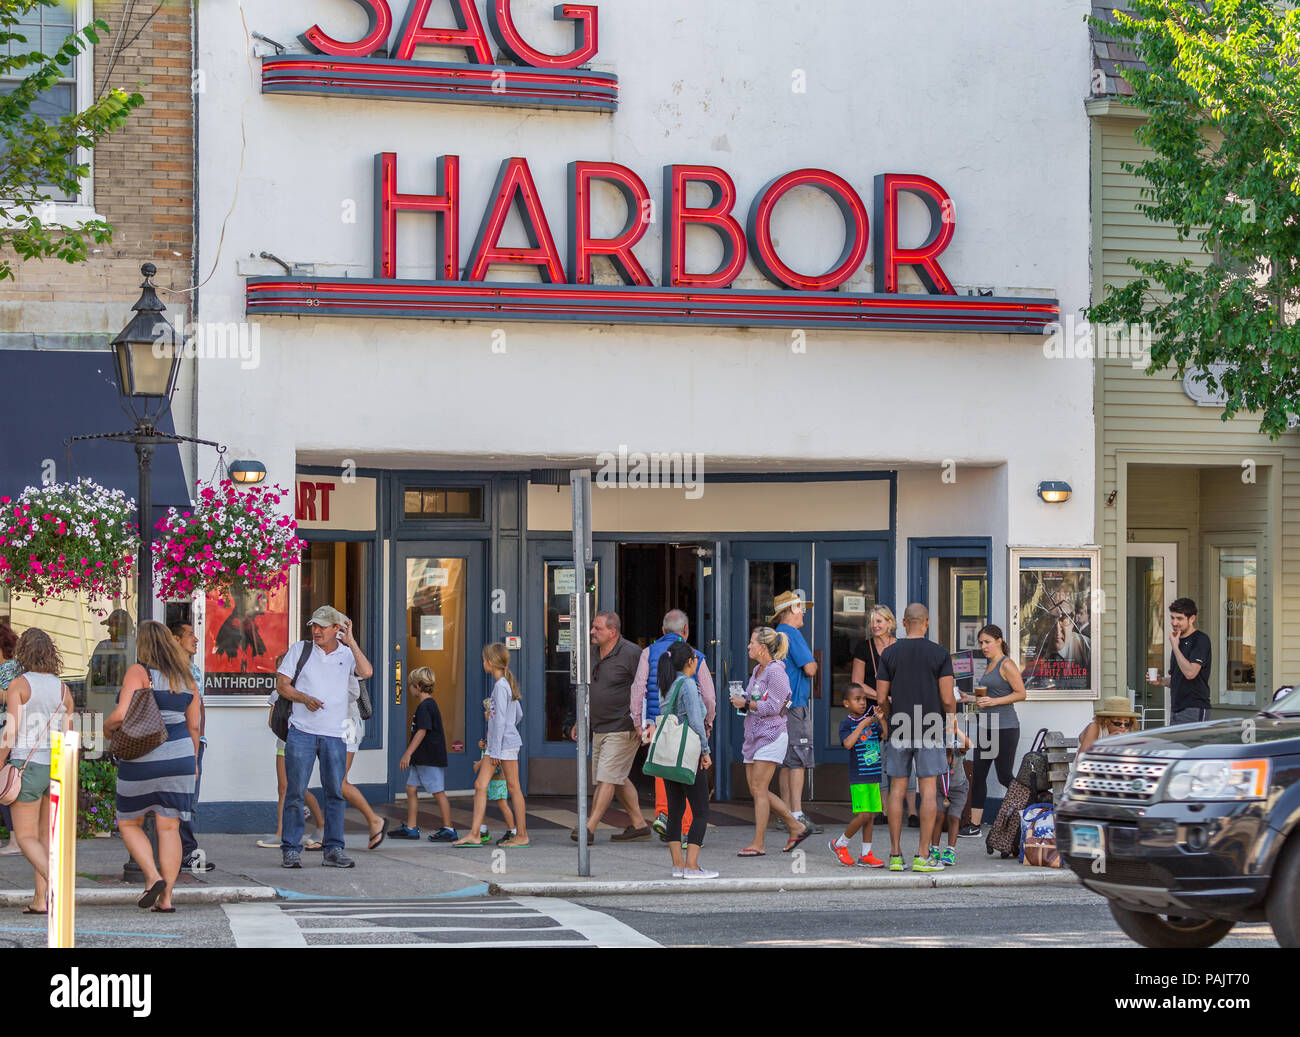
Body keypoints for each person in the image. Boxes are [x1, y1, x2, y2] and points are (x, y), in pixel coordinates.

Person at [105, 621, 200, 913]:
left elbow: (121, 715)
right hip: (182, 758)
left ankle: (152, 877)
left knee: (129, 822)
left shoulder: (139, 672)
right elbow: (194, 725)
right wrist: (193, 763)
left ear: (143, 645)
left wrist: (107, 729)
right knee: (169, 828)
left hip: (143, 759)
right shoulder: (187, 677)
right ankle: (167, 899)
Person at [275, 606, 374, 870]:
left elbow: (367, 672)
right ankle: (291, 849)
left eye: (322, 626)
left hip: (334, 734)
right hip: (302, 732)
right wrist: (303, 698)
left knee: (335, 793)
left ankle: (333, 849)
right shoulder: (300, 650)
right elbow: (281, 684)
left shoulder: (347, 654)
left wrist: (351, 641)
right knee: (295, 792)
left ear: (337, 629)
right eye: (314, 626)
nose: (316, 631)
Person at [875, 603, 955, 873]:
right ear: (927, 622)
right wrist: (952, 721)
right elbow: (947, 698)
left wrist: (888, 716)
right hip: (930, 726)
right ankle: (922, 856)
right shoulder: (940, 654)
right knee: (928, 790)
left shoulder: (889, 653)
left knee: (897, 790)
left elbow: (881, 697)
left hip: (899, 727)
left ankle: (895, 855)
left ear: (904, 622)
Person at [0, 628, 73, 913]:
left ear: (24, 652)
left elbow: (11, 731)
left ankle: (59, 883)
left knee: (26, 837)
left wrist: (1, 761)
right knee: (44, 837)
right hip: (55, 767)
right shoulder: (63, 689)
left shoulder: (19, 684)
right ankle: (40, 900)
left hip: (26, 766)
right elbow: (69, 734)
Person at [630, 609, 715, 841]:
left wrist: (639, 723)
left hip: (656, 724)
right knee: (686, 770)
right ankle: (684, 828)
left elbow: (638, 689)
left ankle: (664, 814)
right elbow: (708, 697)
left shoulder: (648, 653)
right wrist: (707, 723)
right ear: (685, 631)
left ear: (662, 630)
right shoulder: (696, 656)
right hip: (687, 727)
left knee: (663, 768)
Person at [567, 611, 651, 844]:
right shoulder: (592, 653)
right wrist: (580, 719)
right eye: (593, 627)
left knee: (607, 777)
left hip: (623, 726)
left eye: (598, 628)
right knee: (616, 778)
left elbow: (646, 687)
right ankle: (639, 825)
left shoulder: (632, 653)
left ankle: (589, 828)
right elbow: (587, 689)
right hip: (599, 726)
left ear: (613, 632)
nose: (592, 632)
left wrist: (645, 721)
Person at [731, 626, 812, 856]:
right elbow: (755, 699)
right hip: (753, 736)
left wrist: (746, 704)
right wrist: (743, 700)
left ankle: (759, 843)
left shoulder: (776, 672)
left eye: (752, 643)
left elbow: (776, 707)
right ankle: (796, 826)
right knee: (757, 789)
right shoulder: (757, 669)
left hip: (771, 735)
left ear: (762, 648)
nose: (748, 646)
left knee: (759, 788)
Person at [454, 643, 529, 847]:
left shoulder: (500, 687)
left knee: (513, 788)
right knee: (482, 785)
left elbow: (500, 721)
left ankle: (521, 835)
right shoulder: (506, 684)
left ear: (490, 662)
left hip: (501, 746)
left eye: (484, 660)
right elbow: (518, 715)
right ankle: (475, 833)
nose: (483, 663)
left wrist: (494, 750)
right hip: (503, 744)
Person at [851, 605, 914, 825]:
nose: (875, 625)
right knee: (876, 758)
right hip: (873, 709)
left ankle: (912, 812)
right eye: (872, 621)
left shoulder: (901, 647)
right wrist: (882, 696)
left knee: (905, 756)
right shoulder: (863, 648)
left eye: (879, 621)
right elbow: (857, 682)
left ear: (890, 623)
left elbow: (908, 678)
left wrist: (892, 696)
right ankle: (883, 811)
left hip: (900, 709)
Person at [658, 640, 716, 878]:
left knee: (675, 809)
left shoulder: (667, 685)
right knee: (701, 809)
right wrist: (705, 750)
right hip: (688, 753)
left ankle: (678, 864)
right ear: (690, 661)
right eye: (695, 658)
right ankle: (692, 865)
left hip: (670, 754)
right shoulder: (688, 685)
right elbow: (694, 721)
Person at [962, 624, 1026, 836]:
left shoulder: (1006, 664)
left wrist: (995, 701)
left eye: (987, 642)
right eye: (981, 643)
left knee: (1003, 775)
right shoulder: (990, 665)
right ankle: (975, 826)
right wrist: (969, 698)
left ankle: (1030, 806)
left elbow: (1021, 693)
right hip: (987, 727)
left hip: (1005, 727)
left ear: (999, 641)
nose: (983, 646)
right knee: (979, 775)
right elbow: (985, 699)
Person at [771, 591, 819, 834]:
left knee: (786, 761)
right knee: (798, 759)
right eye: (801, 608)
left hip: (779, 706)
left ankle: (785, 813)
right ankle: (797, 815)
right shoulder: (792, 633)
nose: (804, 613)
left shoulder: (777, 634)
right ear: (790, 610)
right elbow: (810, 668)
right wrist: (814, 663)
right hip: (795, 704)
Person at [391, 667, 456, 842]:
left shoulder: (426, 706)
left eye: (411, 685)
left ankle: (449, 829)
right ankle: (411, 828)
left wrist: (407, 754)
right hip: (421, 759)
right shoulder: (426, 705)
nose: (409, 688)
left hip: (429, 758)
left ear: (418, 686)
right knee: (410, 788)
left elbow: (422, 731)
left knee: (438, 791)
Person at [169, 621, 213, 873]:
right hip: (182, 741)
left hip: (196, 741)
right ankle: (186, 852)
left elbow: (200, 707)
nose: (196, 640)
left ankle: (187, 850)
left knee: (190, 800)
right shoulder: (171, 670)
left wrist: (202, 738)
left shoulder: (193, 670)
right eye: (189, 635)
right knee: (181, 799)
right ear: (175, 639)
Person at [828, 682, 885, 867]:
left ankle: (866, 854)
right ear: (846, 703)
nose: (862, 703)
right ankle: (840, 843)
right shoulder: (847, 724)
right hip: (859, 777)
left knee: (871, 816)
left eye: (864, 699)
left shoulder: (871, 721)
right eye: (857, 699)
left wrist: (880, 718)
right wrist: (862, 725)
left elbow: (883, 735)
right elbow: (847, 744)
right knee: (863, 815)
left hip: (873, 775)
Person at [342, 671, 387, 849]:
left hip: (347, 725)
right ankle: (325, 832)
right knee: (334, 781)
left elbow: (354, 691)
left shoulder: (345, 658)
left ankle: (374, 820)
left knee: (339, 781)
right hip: (336, 725)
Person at [1159, 597, 1212, 724]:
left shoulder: (1201, 640)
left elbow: (1190, 673)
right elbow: (1178, 679)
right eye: (1172, 618)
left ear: (1192, 618)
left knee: (1191, 744)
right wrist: (1160, 681)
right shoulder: (1178, 640)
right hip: (1176, 709)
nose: (1174, 622)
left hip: (1194, 708)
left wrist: (1175, 648)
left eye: (1179, 618)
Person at [473, 697, 517, 844]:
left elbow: (495, 757)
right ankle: (482, 828)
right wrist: (482, 746)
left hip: (498, 778)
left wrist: (480, 764)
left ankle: (512, 830)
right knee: (481, 799)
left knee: (501, 803)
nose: (485, 714)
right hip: (492, 776)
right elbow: (489, 749)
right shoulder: (490, 731)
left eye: (487, 711)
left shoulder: (499, 731)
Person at [929, 729, 971, 866]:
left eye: (947, 758)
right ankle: (934, 849)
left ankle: (950, 851)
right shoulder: (934, 753)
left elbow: (968, 744)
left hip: (959, 788)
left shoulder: (957, 752)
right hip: (940, 789)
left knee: (954, 817)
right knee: (938, 816)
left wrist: (956, 730)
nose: (945, 762)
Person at [0, 618, 22, 855]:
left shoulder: (9, 668)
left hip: (7, 731)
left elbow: (9, 699)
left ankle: (16, 841)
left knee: (6, 783)